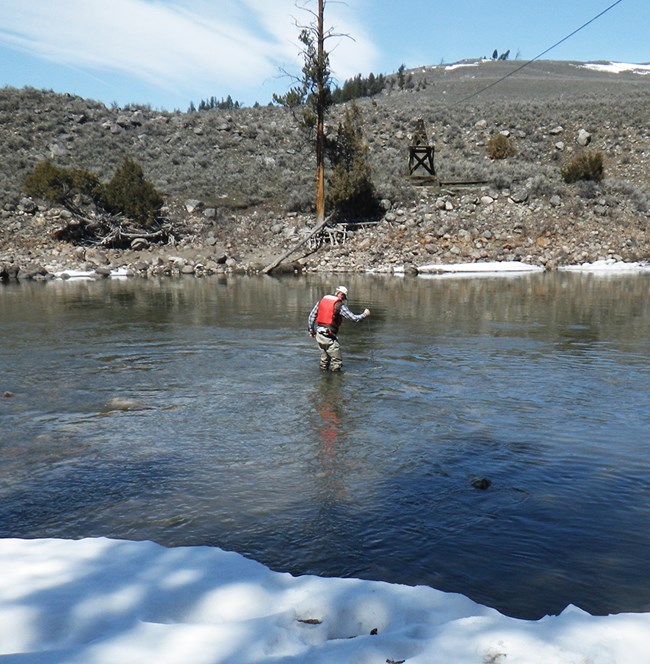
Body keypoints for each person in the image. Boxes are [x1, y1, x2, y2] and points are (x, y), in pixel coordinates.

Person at [307, 285, 370, 372]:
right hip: (329, 336)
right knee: (337, 362)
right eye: (344, 298)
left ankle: (323, 382)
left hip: (319, 335)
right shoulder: (339, 305)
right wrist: (364, 314)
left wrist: (311, 331)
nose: (343, 300)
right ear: (342, 295)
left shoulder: (321, 301)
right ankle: (335, 383)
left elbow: (311, 317)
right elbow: (354, 318)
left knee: (324, 361)